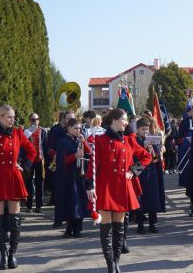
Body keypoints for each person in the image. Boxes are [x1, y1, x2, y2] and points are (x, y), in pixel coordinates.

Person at [85, 108, 152, 273]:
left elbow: (146, 156)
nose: (127, 123)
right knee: (106, 231)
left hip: (123, 188)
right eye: (124, 119)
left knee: (119, 229)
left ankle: (116, 261)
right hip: (105, 187)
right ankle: (110, 266)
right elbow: (92, 166)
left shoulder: (129, 141)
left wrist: (133, 171)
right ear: (115, 120)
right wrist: (89, 186)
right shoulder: (100, 140)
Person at [0, 105, 37, 270]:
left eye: (13, 116)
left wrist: (24, 166)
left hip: (13, 178)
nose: (12, 120)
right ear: (1, 117)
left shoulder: (18, 133)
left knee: (15, 220)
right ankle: (3, 254)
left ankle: (12, 254)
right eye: (9, 117)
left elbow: (32, 151)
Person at [56, 118, 91, 238]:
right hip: (68, 176)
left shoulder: (79, 140)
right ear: (69, 128)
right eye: (76, 128)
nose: (78, 130)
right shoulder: (62, 142)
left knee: (79, 202)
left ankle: (78, 229)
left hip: (80, 175)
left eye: (80, 128)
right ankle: (69, 228)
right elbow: (61, 160)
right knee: (71, 202)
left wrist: (84, 142)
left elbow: (90, 154)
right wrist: (74, 156)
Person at [135, 117, 166, 234]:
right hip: (139, 173)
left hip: (152, 173)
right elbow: (132, 158)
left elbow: (158, 157)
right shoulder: (134, 141)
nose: (145, 132)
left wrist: (153, 152)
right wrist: (143, 150)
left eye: (147, 129)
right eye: (143, 129)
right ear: (137, 130)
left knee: (153, 198)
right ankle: (140, 225)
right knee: (140, 200)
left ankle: (153, 224)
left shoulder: (152, 139)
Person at [47, 110, 75, 227]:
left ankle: (71, 220)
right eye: (68, 118)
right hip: (59, 164)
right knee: (59, 193)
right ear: (63, 119)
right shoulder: (56, 130)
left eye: (72, 118)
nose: (70, 120)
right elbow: (49, 146)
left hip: (72, 166)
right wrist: (55, 155)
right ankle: (58, 219)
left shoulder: (76, 130)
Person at [24, 112, 48, 213]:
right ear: (30, 121)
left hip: (40, 159)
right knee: (28, 183)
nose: (35, 121)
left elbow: (46, 146)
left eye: (37, 119)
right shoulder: (26, 131)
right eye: (33, 120)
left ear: (39, 120)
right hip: (29, 160)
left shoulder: (43, 131)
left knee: (40, 183)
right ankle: (29, 206)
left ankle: (39, 206)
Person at [177, 104, 193, 187]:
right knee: (185, 165)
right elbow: (179, 136)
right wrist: (183, 141)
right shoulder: (184, 122)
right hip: (186, 147)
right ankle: (185, 182)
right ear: (190, 112)